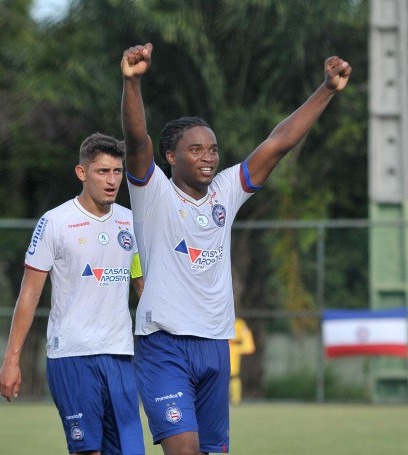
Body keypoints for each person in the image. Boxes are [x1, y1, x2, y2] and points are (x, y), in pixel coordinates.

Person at [120, 42, 351, 454]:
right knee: (184, 449)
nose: (208, 157)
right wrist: (132, 83)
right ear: (171, 156)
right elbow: (137, 142)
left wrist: (327, 89)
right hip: (164, 345)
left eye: (212, 149)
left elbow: (278, 143)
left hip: (214, 345)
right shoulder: (153, 194)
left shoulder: (225, 191)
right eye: (195, 150)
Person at [0, 133, 146, 455]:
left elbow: (141, 284)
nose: (111, 180)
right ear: (82, 173)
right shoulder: (55, 222)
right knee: (87, 450)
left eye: (117, 172)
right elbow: (29, 294)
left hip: (120, 355)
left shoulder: (130, 223)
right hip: (72, 356)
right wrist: (12, 361)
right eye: (102, 172)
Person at [228, 318, 256, 405]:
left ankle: (235, 400)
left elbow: (249, 346)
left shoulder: (239, 324)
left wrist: (236, 349)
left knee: (233, 376)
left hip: (232, 350)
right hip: (218, 348)